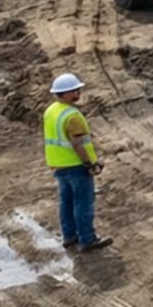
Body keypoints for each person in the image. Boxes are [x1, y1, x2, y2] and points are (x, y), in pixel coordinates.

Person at [41, 73, 107, 251]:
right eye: (76, 90)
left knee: (66, 203)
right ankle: (87, 239)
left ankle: (70, 237)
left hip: (59, 165)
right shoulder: (72, 116)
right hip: (76, 166)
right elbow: (78, 144)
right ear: (67, 93)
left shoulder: (51, 110)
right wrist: (90, 163)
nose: (79, 93)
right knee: (83, 203)